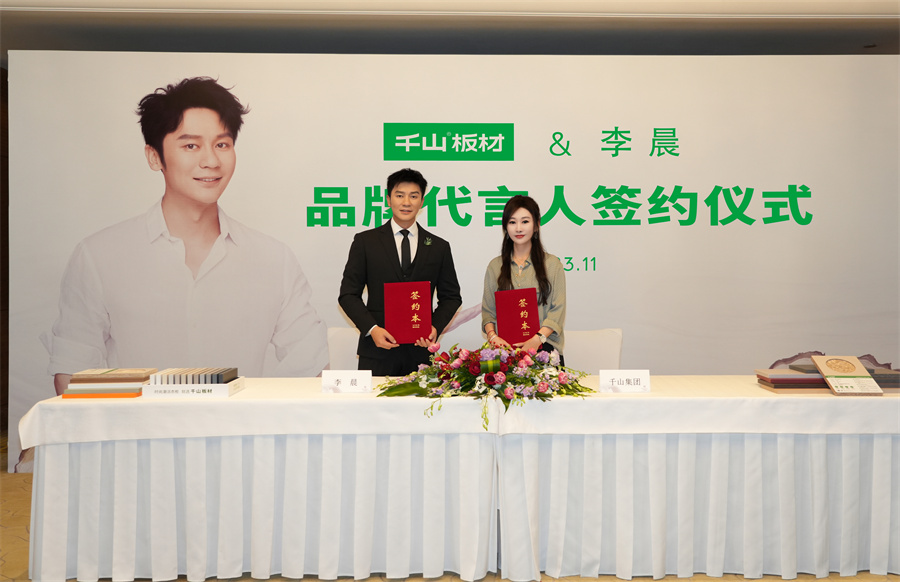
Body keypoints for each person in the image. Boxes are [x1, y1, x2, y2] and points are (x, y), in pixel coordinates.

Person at [46, 77, 328, 395]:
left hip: (240, 425)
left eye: (222, 144)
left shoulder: (274, 259)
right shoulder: (99, 255)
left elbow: (312, 367)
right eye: (191, 146)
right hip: (138, 426)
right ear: (154, 157)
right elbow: (72, 374)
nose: (211, 161)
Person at [338, 168, 462, 376]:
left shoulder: (438, 246)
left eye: (413, 196)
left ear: (422, 202)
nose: (406, 202)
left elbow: (451, 297)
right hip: (377, 352)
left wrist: (434, 327)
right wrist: (372, 330)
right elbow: (348, 295)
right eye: (399, 195)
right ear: (388, 199)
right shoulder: (366, 242)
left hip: (420, 353)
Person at [481, 195, 566, 362]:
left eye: (525, 221)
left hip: (544, 349)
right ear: (505, 227)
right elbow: (488, 312)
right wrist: (493, 337)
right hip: (505, 351)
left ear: (536, 225)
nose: (518, 228)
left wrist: (537, 339)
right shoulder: (495, 266)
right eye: (512, 222)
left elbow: (557, 310)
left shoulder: (552, 264)